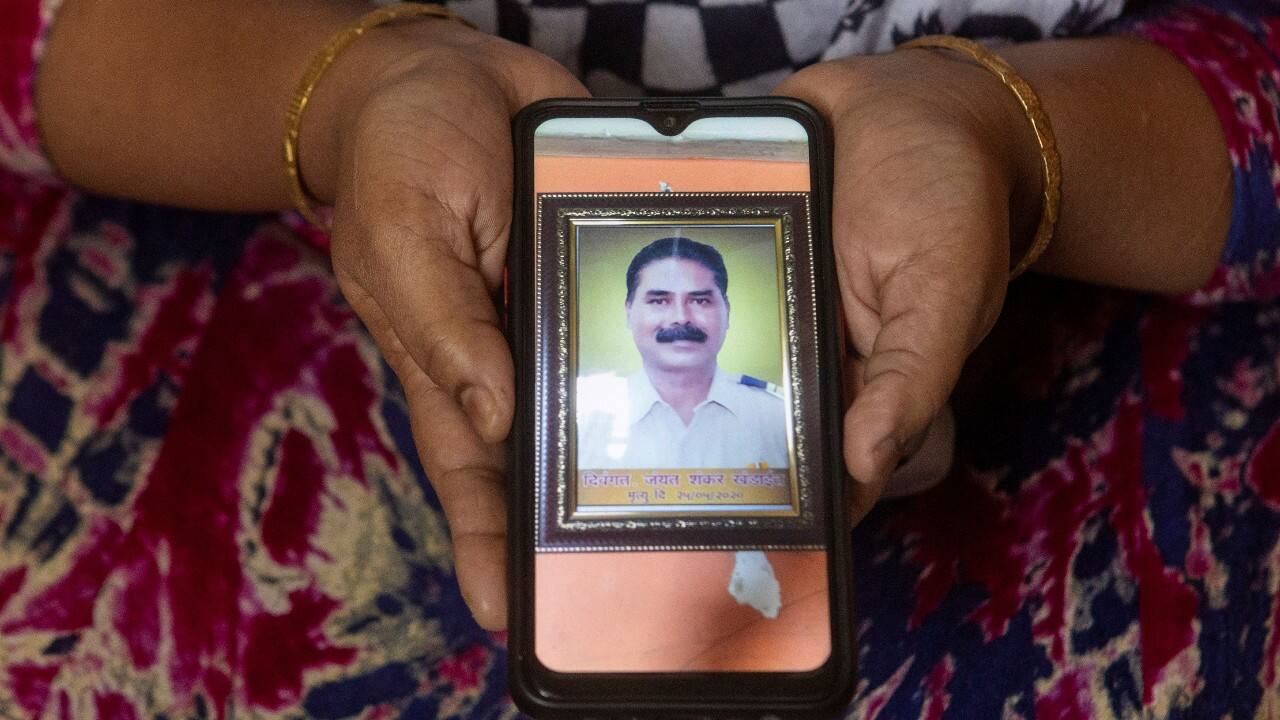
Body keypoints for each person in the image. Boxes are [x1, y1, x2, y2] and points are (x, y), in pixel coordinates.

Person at [1, 0, 1278, 717]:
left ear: (725, 321)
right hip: (234, 400)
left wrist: (1010, 140)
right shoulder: (598, 407)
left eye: (693, 300)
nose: (672, 318)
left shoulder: (747, 410)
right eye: (652, 296)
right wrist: (342, 99)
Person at [576, 236, 788, 472]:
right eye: (659, 301)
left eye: (699, 300)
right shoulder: (582, 421)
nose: (681, 317)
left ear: (726, 311)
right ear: (629, 311)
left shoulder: (779, 417)